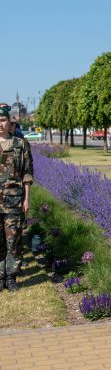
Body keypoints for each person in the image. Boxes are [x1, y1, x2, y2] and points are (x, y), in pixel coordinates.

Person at [0, 104, 33, 291]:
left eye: (3, 120)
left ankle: (11, 276)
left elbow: (27, 174)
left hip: (14, 201)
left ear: (9, 122)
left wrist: (27, 199)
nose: (0, 124)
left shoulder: (20, 145)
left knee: (13, 240)